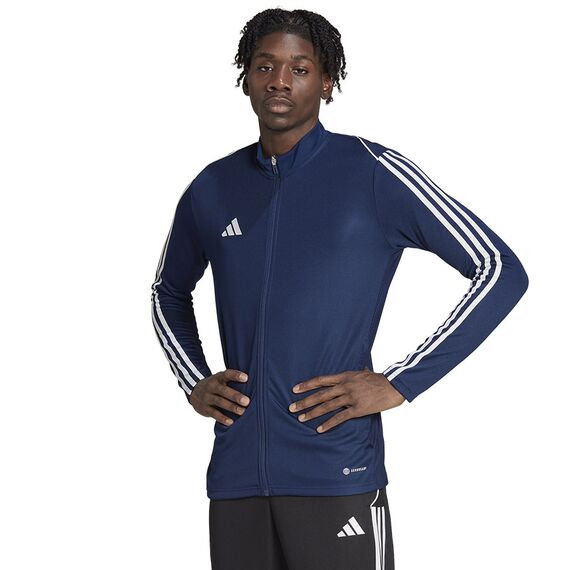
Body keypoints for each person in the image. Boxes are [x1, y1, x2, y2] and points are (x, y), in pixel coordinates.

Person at [150, 8, 529, 570]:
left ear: (327, 82)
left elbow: (499, 269)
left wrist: (400, 382)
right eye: (265, 66)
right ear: (246, 77)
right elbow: (167, 291)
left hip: (336, 470)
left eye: (300, 68)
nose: (280, 81)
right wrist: (193, 380)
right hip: (237, 479)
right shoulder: (212, 187)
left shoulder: (372, 172)